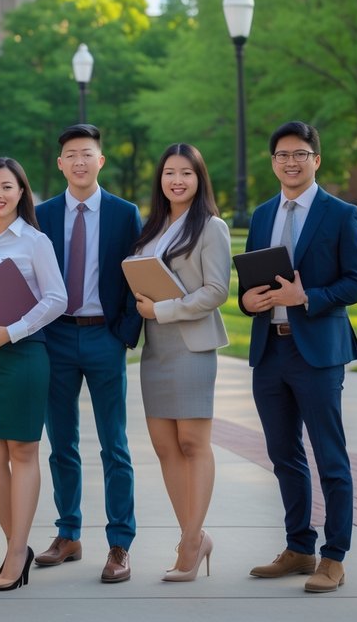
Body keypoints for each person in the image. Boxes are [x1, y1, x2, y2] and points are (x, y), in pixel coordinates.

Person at [240, 121, 357, 594]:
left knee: (329, 457)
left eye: (299, 154)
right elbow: (251, 281)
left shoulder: (341, 213)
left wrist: (307, 297)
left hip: (317, 352)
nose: (290, 163)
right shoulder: (261, 214)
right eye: (281, 155)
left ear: (316, 159)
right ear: (272, 161)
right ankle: (299, 547)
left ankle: (334, 557)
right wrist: (247, 302)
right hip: (269, 348)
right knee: (283, 455)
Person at [35, 124, 142, 582]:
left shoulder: (124, 213)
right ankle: (69, 532)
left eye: (88, 154)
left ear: (101, 161)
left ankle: (120, 543)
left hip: (105, 336)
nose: (80, 161)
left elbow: (138, 275)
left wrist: (124, 333)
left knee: (114, 445)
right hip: (55, 337)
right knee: (62, 444)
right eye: (71, 155)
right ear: (60, 164)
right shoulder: (42, 214)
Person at [0, 158, 66, 591]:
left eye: (6, 186)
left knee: (22, 451)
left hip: (22, 354)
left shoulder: (35, 241)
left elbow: (57, 297)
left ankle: (17, 554)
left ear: (22, 191)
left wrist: (15, 331)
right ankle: (14, 545)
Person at [130, 143, 230, 581]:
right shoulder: (150, 228)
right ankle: (193, 533)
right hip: (155, 350)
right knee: (165, 446)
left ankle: (190, 543)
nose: (177, 180)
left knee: (193, 443)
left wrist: (163, 310)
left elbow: (216, 291)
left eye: (186, 173)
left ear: (198, 178)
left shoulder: (211, 227)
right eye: (170, 172)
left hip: (190, 346)